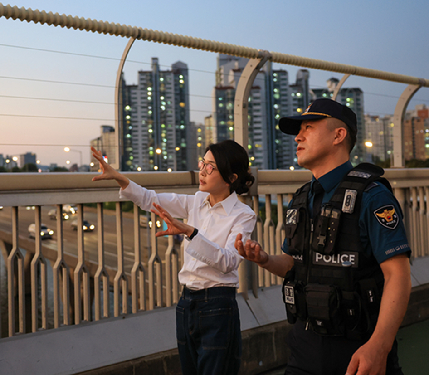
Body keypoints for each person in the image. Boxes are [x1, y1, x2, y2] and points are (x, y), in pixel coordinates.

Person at [235, 98, 411, 375]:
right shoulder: (302, 197)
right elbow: (296, 265)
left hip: (357, 350)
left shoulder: (372, 196)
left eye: (308, 128)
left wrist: (379, 346)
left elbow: (398, 275)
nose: (298, 137)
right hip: (303, 347)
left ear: (338, 135)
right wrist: (265, 259)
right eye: (298, 130)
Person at [92, 140, 256, 375]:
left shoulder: (243, 215)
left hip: (218, 305)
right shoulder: (198, 201)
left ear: (231, 177)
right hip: (186, 303)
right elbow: (151, 200)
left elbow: (229, 261)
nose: (202, 171)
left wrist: (189, 231)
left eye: (211, 167)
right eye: (203, 163)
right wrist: (118, 176)